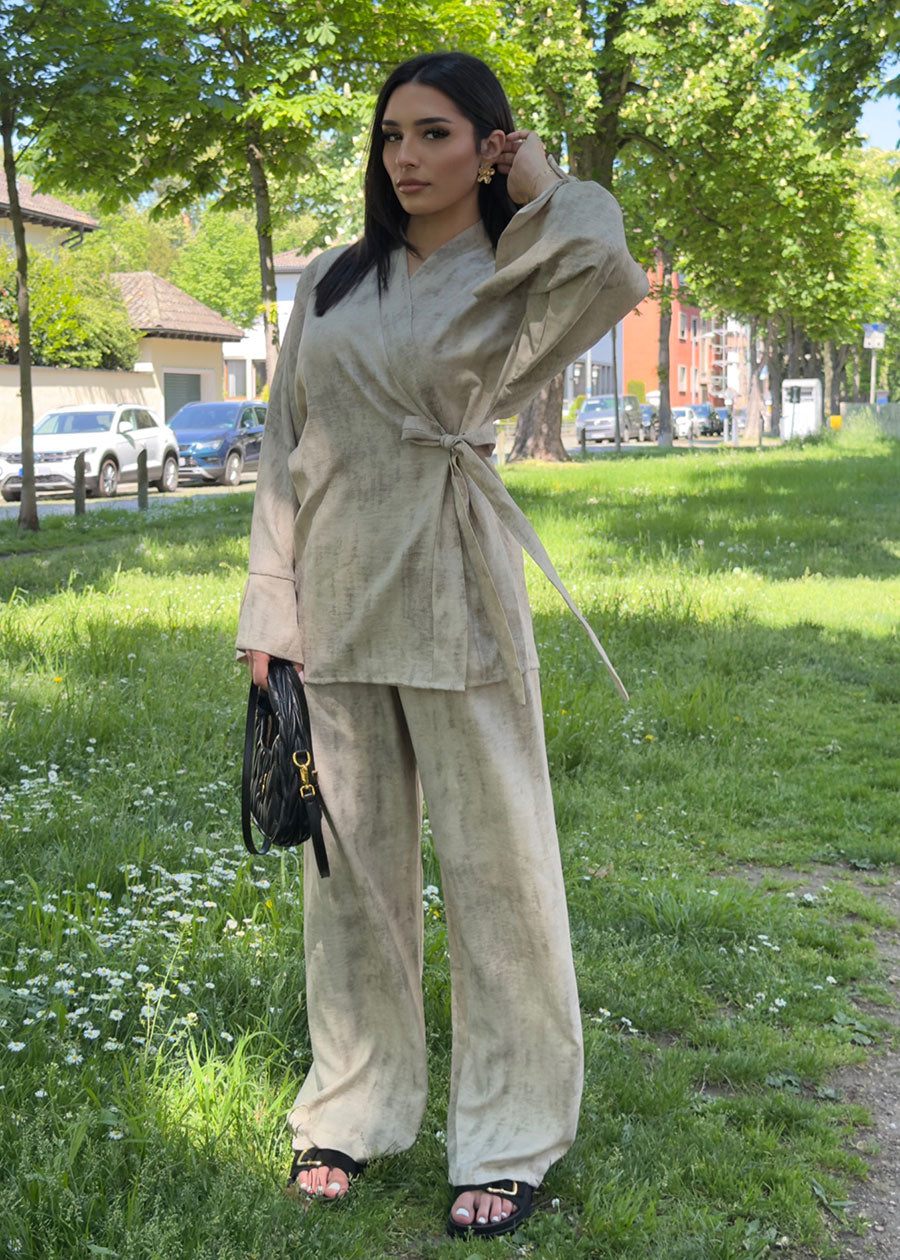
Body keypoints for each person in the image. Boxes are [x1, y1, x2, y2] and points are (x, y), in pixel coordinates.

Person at [236, 49, 648, 1239]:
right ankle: (351, 1109)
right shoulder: (332, 279)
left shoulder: (520, 265)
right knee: (351, 880)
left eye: (436, 134)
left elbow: (611, 267)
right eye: (392, 136)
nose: (406, 157)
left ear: (487, 145)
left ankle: (510, 1134)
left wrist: (543, 182)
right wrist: (270, 611)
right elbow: (285, 446)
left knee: (497, 872)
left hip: (456, 580)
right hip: (335, 597)